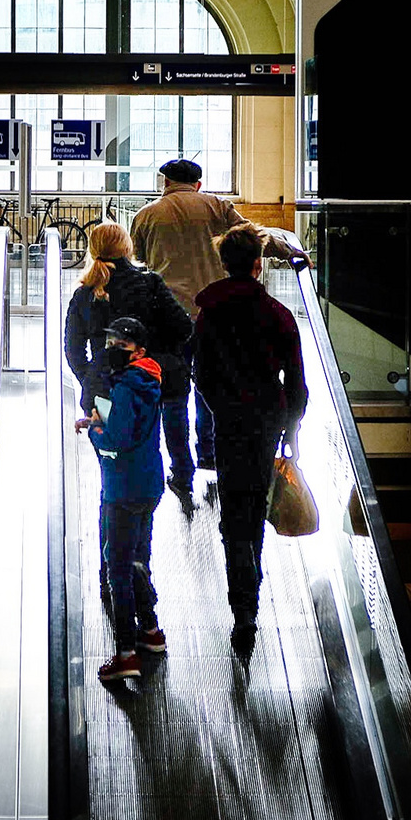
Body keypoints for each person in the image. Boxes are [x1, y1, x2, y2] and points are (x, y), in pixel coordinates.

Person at [131, 158, 309, 484]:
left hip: (167, 318)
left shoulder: (146, 216)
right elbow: (252, 238)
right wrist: (288, 250)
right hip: (213, 314)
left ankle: (180, 467)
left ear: (165, 183)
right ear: (198, 184)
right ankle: (209, 455)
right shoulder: (217, 207)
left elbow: (139, 261)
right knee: (210, 383)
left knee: (173, 395)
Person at [192, 222, 308, 655]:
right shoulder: (277, 315)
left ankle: (240, 599)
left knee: (234, 509)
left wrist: (220, 406)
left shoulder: (209, 314)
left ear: (224, 264)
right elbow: (296, 383)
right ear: (258, 266)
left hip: (229, 424)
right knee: (256, 504)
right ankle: (251, 591)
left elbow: (200, 374)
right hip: (267, 423)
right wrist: (291, 429)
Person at [63, 222, 193, 503]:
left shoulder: (84, 294)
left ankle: (114, 531)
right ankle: (142, 526)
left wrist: (93, 379)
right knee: (143, 459)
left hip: (103, 395)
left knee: (112, 472)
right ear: (127, 248)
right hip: (143, 388)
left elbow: (73, 350)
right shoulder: (149, 283)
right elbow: (183, 327)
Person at [75, 316, 168, 683]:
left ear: (139, 350)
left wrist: (96, 431)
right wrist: (100, 422)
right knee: (135, 561)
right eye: (110, 342)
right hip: (149, 484)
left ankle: (126, 653)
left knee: (118, 566)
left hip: (124, 487)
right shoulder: (148, 379)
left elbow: (118, 439)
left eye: (121, 345)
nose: (112, 350)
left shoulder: (128, 386)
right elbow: (132, 426)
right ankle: (150, 630)